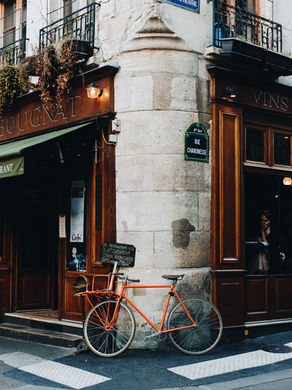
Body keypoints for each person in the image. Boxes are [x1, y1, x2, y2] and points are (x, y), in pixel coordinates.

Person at [248, 210, 285, 274]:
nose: (263, 223)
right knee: (258, 253)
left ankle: (253, 273)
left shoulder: (273, 231)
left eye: (266, 221)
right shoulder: (257, 229)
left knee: (260, 252)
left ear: (270, 221)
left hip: (275, 254)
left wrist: (262, 231)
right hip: (264, 253)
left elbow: (267, 245)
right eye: (261, 220)